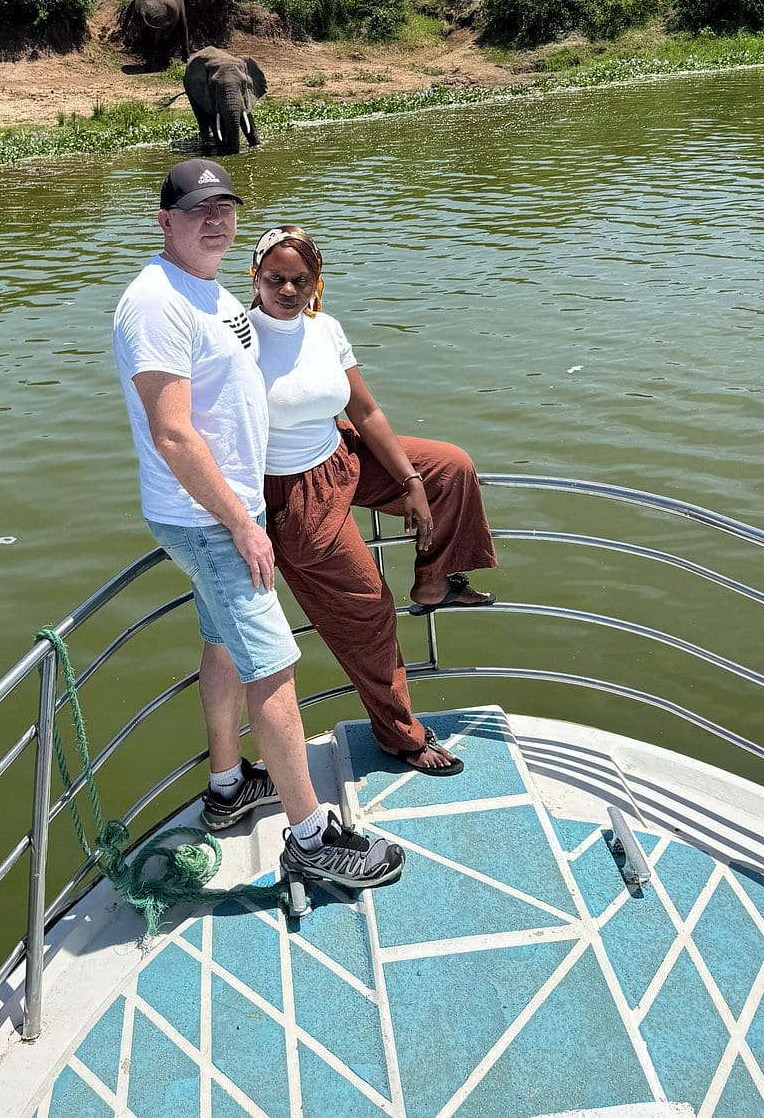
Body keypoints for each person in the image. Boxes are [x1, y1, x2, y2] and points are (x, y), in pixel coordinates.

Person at [112, 160, 404, 891]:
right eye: (197, 209)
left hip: (225, 512)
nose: (215, 219)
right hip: (211, 519)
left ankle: (228, 785)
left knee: (222, 644)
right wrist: (242, 524)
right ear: (164, 220)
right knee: (273, 666)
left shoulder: (209, 293)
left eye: (225, 207)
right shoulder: (155, 302)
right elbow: (173, 433)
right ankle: (310, 837)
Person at [247, 223, 498, 776]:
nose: (288, 290)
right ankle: (399, 735)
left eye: (301, 280)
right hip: (290, 488)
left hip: (341, 453)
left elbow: (364, 411)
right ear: (255, 277)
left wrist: (410, 481)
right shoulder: (238, 339)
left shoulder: (325, 328)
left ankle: (433, 581)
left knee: (449, 468)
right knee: (367, 608)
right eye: (275, 278)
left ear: (316, 282)